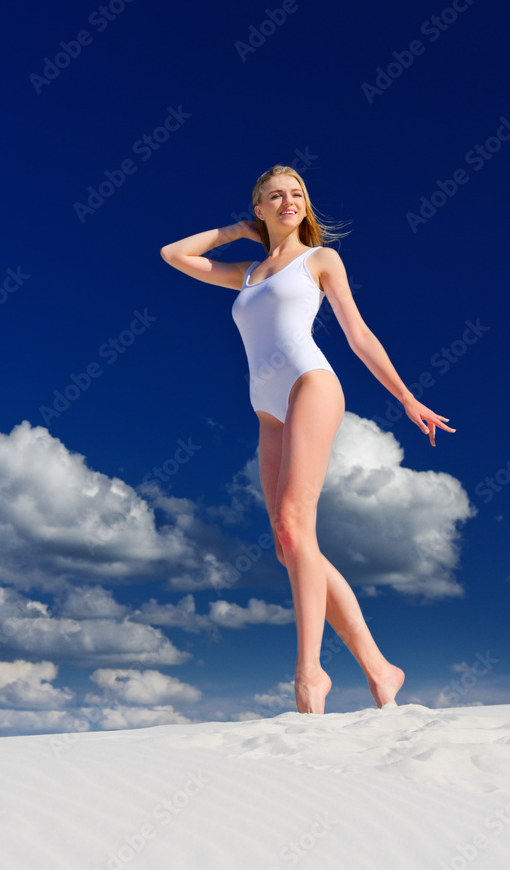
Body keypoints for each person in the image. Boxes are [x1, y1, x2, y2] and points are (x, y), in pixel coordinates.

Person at [160, 164, 456, 714]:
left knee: (297, 527)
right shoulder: (247, 273)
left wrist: (408, 398)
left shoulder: (320, 259)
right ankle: (380, 668)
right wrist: (236, 231)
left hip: (309, 384)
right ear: (260, 208)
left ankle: (309, 673)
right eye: (276, 195)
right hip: (266, 410)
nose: (290, 200)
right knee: (288, 544)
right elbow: (173, 255)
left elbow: (358, 334)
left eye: (297, 193)